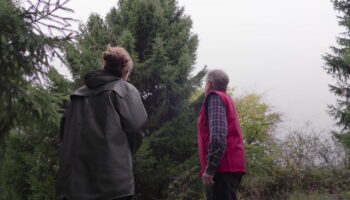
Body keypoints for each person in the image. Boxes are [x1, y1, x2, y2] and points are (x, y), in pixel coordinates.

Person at [56, 45, 147, 200]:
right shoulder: (123, 90)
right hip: (113, 186)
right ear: (125, 71)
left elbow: (64, 135)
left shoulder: (77, 95)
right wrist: (122, 153)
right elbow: (136, 130)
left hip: (72, 187)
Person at [197, 69, 246, 200]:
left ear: (209, 84)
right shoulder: (226, 98)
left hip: (222, 169)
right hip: (228, 167)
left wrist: (210, 170)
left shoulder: (215, 98)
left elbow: (218, 137)